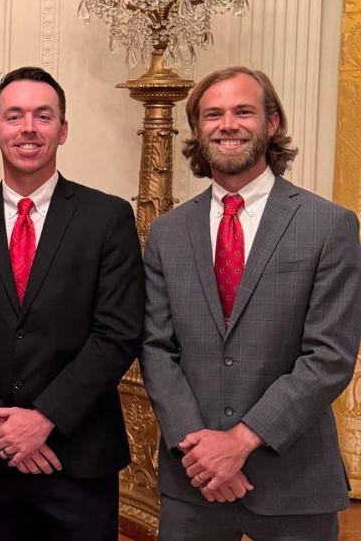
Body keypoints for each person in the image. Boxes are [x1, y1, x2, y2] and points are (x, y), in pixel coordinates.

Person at [139, 66, 361, 540]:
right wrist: (200, 452)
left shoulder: (329, 225)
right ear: (198, 130)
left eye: (244, 111)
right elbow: (156, 349)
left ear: (272, 122)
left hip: (294, 481)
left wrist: (240, 442)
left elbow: (329, 357)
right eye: (212, 115)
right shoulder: (167, 233)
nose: (228, 125)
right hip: (193, 479)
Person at [0, 66, 144, 541]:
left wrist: (45, 418)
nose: (28, 128)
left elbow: (117, 334)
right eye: (14, 117)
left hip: (79, 456)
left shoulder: (107, 217)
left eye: (42, 116)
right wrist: (2, 431)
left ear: (63, 129)